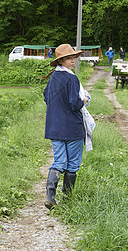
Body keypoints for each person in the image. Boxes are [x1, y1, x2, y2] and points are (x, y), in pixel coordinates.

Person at [42, 43, 91, 210]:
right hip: (72, 128)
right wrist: (84, 100)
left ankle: (50, 196)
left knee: (59, 161)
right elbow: (74, 103)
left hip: (55, 127)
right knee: (72, 164)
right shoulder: (72, 78)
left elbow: (46, 97)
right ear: (60, 61)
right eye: (69, 58)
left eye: (74, 57)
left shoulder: (53, 77)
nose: (73, 61)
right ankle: (68, 199)